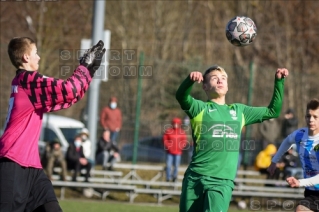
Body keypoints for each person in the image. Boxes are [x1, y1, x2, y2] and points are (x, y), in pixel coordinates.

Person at [0, 37, 105, 212]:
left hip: (32, 167)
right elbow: (68, 89)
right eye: (35, 53)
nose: (39, 57)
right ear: (26, 57)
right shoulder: (28, 80)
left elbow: (69, 96)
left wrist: (89, 71)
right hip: (13, 163)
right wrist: (84, 66)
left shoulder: (25, 82)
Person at [175, 65, 288, 212]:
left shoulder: (239, 111)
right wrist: (189, 81)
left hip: (222, 182)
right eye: (214, 78)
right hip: (194, 178)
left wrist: (279, 82)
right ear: (205, 86)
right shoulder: (199, 108)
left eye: (223, 78)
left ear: (227, 86)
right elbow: (181, 96)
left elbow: (273, 111)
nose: (220, 81)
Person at [268, 98, 319, 212]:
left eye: (315, 117)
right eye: (308, 116)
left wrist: (300, 182)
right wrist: (274, 161)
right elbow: (287, 141)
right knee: (300, 209)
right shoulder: (300, 134)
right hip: (311, 193)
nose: (311, 120)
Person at [163, 117, 187, 182]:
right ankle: (168, 177)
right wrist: (169, 147)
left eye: (177, 123)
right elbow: (165, 140)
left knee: (176, 165)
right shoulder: (168, 131)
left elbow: (184, 141)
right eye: (174, 123)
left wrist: (180, 147)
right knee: (168, 165)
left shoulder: (182, 132)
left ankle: (174, 177)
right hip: (169, 152)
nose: (175, 125)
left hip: (178, 152)